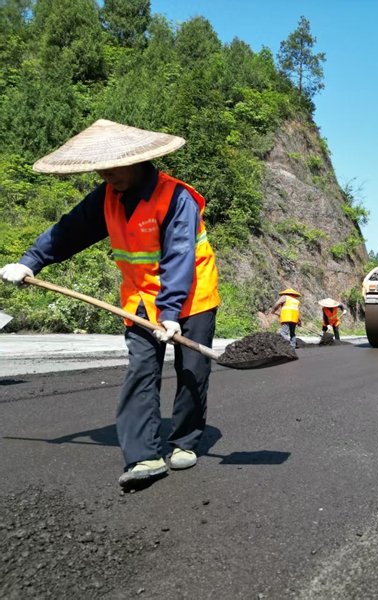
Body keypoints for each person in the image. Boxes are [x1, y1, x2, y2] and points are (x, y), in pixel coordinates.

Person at [0, 119, 220, 488]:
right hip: (138, 300)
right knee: (140, 372)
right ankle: (144, 457)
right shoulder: (106, 197)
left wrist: (170, 313)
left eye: (114, 166)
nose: (106, 174)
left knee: (192, 372)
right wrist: (30, 261)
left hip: (192, 297)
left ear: (138, 160)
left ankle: (184, 441)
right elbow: (68, 230)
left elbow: (180, 257)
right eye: (100, 167)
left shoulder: (177, 198)